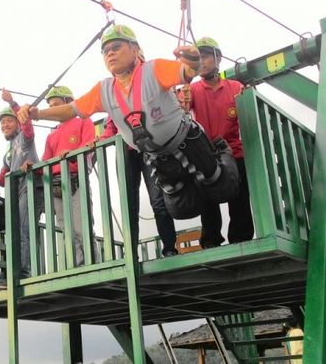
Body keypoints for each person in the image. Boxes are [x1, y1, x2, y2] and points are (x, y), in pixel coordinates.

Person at [17, 24, 240, 241]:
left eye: (116, 47)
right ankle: (206, 227)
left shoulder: (154, 70)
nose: (110, 53)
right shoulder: (103, 90)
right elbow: (71, 110)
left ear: (134, 49)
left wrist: (193, 61)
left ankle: (222, 153)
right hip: (160, 157)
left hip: (186, 142)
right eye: (105, 51)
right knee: (183, 209)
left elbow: (186, 72)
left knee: (222, 186)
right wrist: (37, 113)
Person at [186, 37, 254, 249]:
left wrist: (250, 97)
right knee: (207, 196)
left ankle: (241, 238)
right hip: (206, 152)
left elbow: (250, 114)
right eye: (197, 58)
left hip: (234, 150)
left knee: (240, 195)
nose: (202, 62)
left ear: (218, 59)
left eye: (205, 56)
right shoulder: (193, 90)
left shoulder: (235, 87)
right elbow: (181, 110)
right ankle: (210, 240)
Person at [24, 85, 98, 266]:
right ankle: (76, 266)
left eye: (56, 105)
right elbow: (45, 163)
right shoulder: (52, 135)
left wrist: (71, 154)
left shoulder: (83, 121)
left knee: (82, 227)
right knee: (66, 229)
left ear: (68, 103)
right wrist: (33, 166)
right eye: (50, 107)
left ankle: (92, 265)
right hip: (56, 184)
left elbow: (90, 147)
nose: (53, 110)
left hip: (76, 178)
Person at [0, 89, 44, 278]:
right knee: (15, 230)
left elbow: (28, 125)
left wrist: (13, 103)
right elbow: (2, 179)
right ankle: (16, 268)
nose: (4, 125)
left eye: (8, 121)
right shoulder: (7, 153)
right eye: (2, 123)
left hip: (30, 186)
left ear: (17, 122)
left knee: (24, 228)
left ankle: (24, 271)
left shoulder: (24, 138)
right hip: (16, 190)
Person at [99, 118, 178, 256]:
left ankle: (169, 248)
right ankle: (131, 253)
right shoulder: (114, 100)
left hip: (149, 148)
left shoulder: (143, 96)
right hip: (125, 152)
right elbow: (111, 127)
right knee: (129, 206)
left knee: (158, 200)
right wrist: (100, 140)